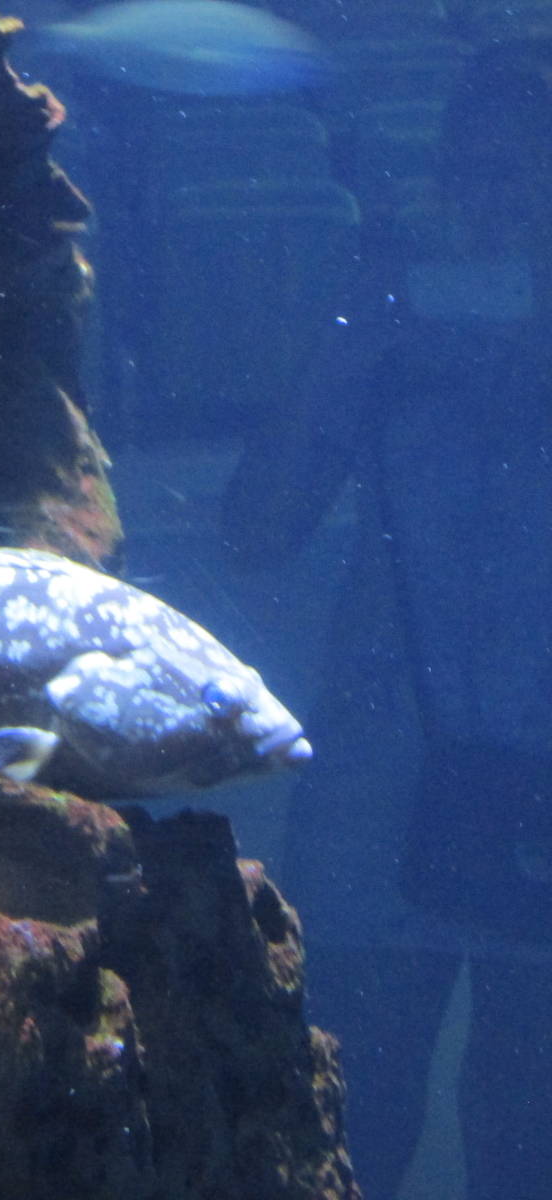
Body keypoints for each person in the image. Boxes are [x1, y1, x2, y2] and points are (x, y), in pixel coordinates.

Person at [221, 37, 552, 1200]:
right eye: (473, 175)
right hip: (378, 781)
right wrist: (358, 336)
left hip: (528, 786)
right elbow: (255, 529)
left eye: (524, 180)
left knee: (528, 1134)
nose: (493, 207)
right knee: (354, 1109)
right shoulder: (388, 319)